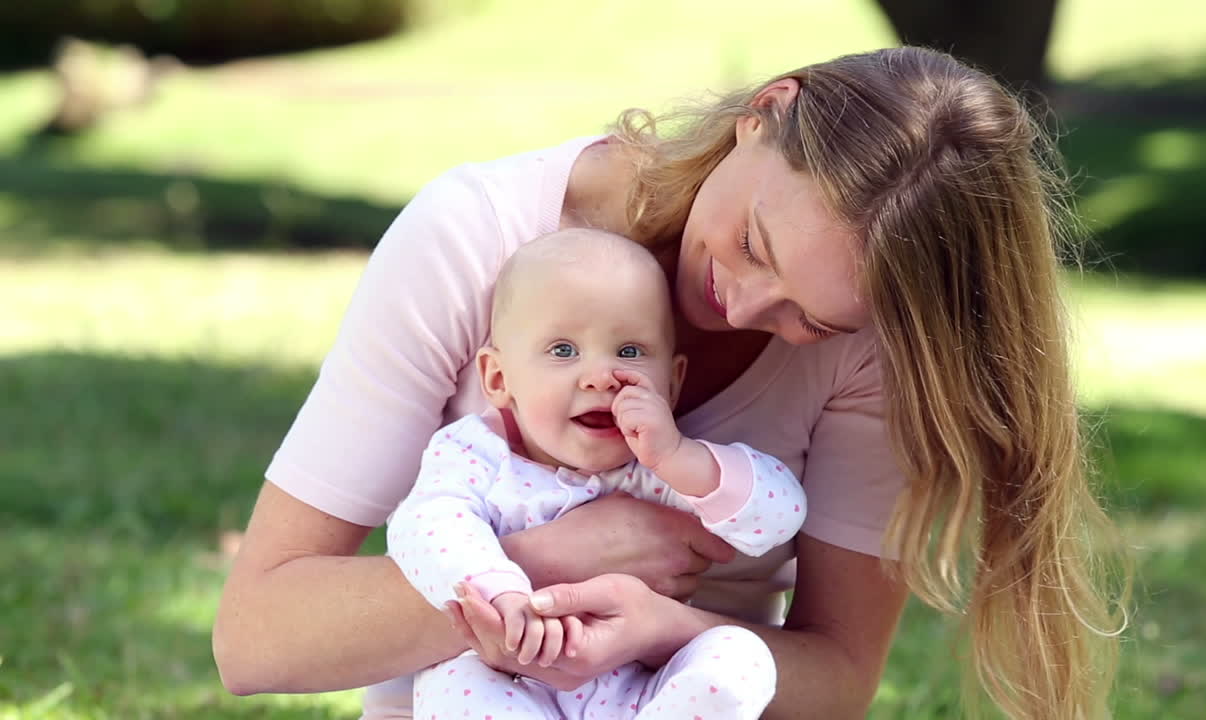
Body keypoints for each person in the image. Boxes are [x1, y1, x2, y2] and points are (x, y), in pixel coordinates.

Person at [213, 46, 1126, 720]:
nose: (743, 305)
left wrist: (661, 627)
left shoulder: (875, 344)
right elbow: (256, 638)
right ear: (764, 111)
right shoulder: (480, 238)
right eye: (754, 246)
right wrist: (551, 565)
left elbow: (839, 677)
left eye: (813, 318)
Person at [390, 228, 804, 719]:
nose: (599, 375)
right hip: (509, 681)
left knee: (745, 656)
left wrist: (679, 457)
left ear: (671, 382)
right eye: (563, 350)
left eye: (629, 352)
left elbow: (781, 516)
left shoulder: (657, 467)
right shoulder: (477, 454)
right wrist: (501, 590)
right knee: (455, 682)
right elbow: (425, 525)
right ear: (499, 379)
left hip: (639, 691)